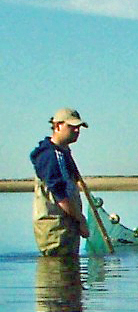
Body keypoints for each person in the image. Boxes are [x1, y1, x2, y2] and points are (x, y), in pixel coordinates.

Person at [30, 108, 91, 256]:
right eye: (72, 127)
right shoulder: (49, 155)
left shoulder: (63, 153)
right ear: (57, 126)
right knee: (58, 273)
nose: (77, 131)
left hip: (66, 225)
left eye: (78, 127)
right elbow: (59, 194)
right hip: (55, 228)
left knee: (70, 274)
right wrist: (81, 219)